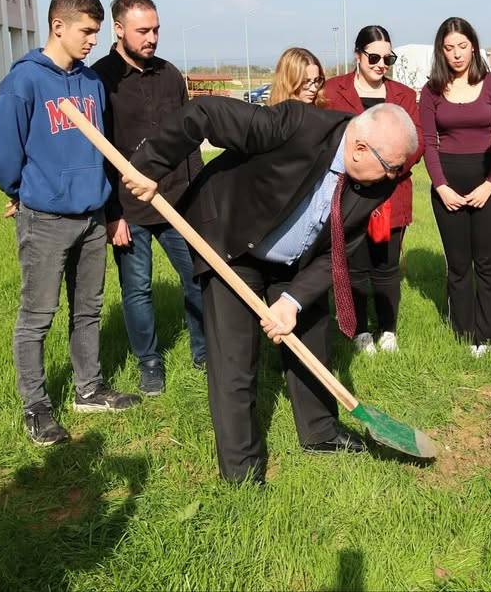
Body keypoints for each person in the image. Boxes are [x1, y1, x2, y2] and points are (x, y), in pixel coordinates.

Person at [123, 96, 418, 484]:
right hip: (232, 241)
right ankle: (242, 469)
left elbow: (337, 254)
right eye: (393, 168)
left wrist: (292, 302)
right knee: (235, 355)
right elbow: (205, 114)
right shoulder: (297, 126)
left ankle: (320, 432)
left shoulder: (375, 183)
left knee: (312, 336)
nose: (396, 179)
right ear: (360, 148)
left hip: (297, 258)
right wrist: (151, 166)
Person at [0, 0, 141, 446]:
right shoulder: (25, 81)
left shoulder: (91, 83)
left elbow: (104, 149)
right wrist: (23, 191)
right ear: (58, 26)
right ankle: (35, 406)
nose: (93, 39)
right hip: (46, 219)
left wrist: (104, 203)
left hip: (91, 216)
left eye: (96, 31)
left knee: (88, 309)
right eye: (86, 31)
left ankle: (88, 389)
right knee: (38, 315)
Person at [92, 0, 206, 396]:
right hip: (128, 211)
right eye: (143, 30)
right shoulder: (99, 79)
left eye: (156, 29)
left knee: (197, 279)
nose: (152, 37)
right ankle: (150, 363)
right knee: (136, 289)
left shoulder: (171, 75)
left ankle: (204, 352)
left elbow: (190, 140)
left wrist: (197, 196)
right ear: (119, 29)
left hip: (176, 203)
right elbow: (97, 151)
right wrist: (110, 213)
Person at [323, 25, 423, 355]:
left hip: (391, 194)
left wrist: (387, 170)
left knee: (387, 265)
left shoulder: (404, 96)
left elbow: (417, 143)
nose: (381, 63)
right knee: (355, 264)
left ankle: (388, 329)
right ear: (358, 56)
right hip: (349, 193)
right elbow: (326, 136)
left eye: (388, 58)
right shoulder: (334, 91)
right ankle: (360, 330)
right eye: (374, 56)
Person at [420, 17, 491, 356]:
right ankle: (465, 333)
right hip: (448, 184)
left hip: (488, 182)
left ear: (473, 46)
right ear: (440, 52)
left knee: (487, 260)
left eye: (462, 46)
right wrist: (441, 186)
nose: (456, 54)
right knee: (458, 263)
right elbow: (428, 142)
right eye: (449, 48)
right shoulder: (430, 91)